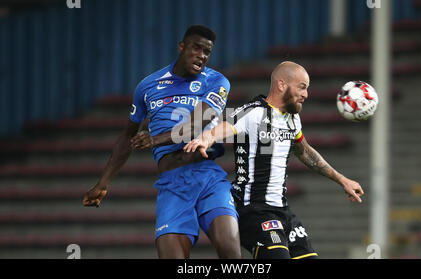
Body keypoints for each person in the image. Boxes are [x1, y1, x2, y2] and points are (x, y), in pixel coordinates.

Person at [82, 25, 241, 259]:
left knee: (231, 255)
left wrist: (155, 139)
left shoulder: (217, 81)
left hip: (208, 177)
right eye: (196, 48)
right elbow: (128, 136)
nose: (202, 56)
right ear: (181, 46)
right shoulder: (147, 86)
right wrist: (104, 182)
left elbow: (196, 126)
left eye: (207, 52)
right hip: (171, 185)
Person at [183, 61, 365, 259]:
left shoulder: (292, 118)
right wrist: (206, 138)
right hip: (253, 210)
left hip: (283, 211)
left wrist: (342, 180)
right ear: (281, 85)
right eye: (302, 87)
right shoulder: (253, 112)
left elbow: (304, 151)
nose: (306, 94)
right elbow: (224, 127)